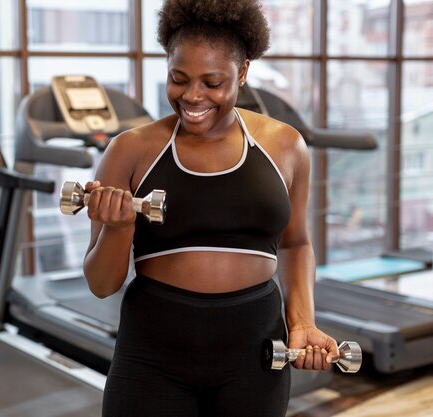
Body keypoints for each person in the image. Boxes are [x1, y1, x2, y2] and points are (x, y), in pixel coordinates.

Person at [82, 0, 340, 415]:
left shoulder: (285, 145)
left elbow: (295, 245)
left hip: (254, 350)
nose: (192, 96)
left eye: (212, 82)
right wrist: (117, 227)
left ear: (242, 72)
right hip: (153, 351)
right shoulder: (130, 150)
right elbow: (101, 284)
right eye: (178, 79)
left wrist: (303, 323)